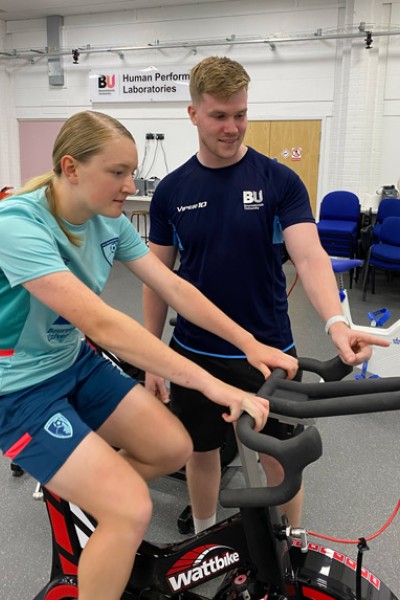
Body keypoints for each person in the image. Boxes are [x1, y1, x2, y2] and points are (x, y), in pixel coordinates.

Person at [0, 109, 285, 600]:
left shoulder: (106, 221)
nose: (130, 184)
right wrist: (212, 383)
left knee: (173, 447)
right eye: (117, 172)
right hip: (18, 389)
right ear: (71, 168)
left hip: (74, 364)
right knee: (132, 507)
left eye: (132, 171)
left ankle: (85, 495)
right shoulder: (18, 224)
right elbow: (102, 322)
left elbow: (174, 287)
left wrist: (248, 342)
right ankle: (106, 507)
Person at [143, 56, 389, 533]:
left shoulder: (279, 181)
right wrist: (153, 355)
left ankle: (290, 546)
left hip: (271, 352)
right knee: (202, 451)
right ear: (193, 113)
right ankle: (206, 532)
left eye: (240, 114)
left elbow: (310, 256)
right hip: (196, 353)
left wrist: (336, 323)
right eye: (219, 115)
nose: (232, 127)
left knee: (281, 459)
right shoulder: (171, 191)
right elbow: (158, 276)